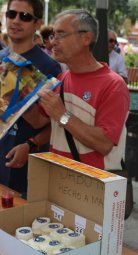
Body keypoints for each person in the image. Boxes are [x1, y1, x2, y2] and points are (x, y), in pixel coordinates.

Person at [0, 0, 60, 196]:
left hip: (29, 163)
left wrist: (31, 145)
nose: (16, 21)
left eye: (24, 16)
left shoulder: (49, 67)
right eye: (11, 14)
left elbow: (56, 123)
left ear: (37, 23)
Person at [32, 9, 129, 172]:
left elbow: (104, 144)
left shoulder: (113, 85)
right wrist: (18, 91)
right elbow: (37, 121)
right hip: (57, 179)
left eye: (60, 35)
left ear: (86, 38)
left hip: (92, 187)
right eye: (53, 35)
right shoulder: (62, 78)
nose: (53, 42)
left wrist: (62, 115)